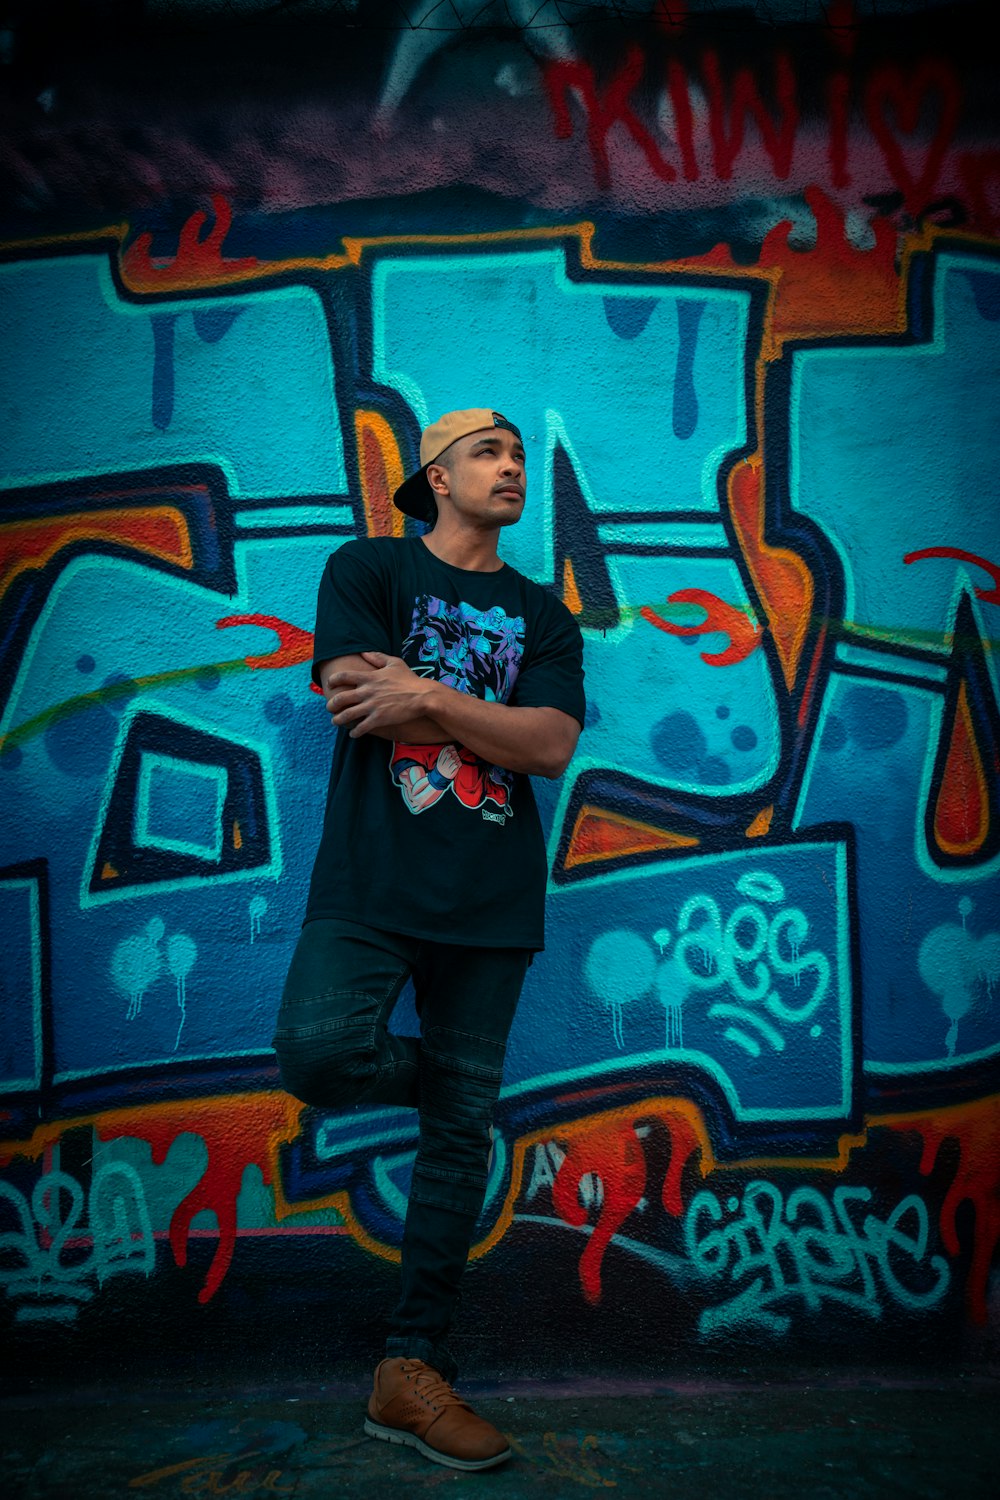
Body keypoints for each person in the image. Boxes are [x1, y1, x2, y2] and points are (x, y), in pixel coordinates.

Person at [272, 408, 586, 1472]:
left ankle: (409, 1370)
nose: (510, 469)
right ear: (434, 478)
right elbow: (356, 702)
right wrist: (434, 708)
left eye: (516, 456)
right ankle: (448, 1082)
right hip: (370, 883)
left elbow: (546, 745)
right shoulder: (367, 569)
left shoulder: (543, 618)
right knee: (319, 1052)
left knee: (456, 1144)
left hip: (492, 903)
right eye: (488, 454)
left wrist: (431, 692)